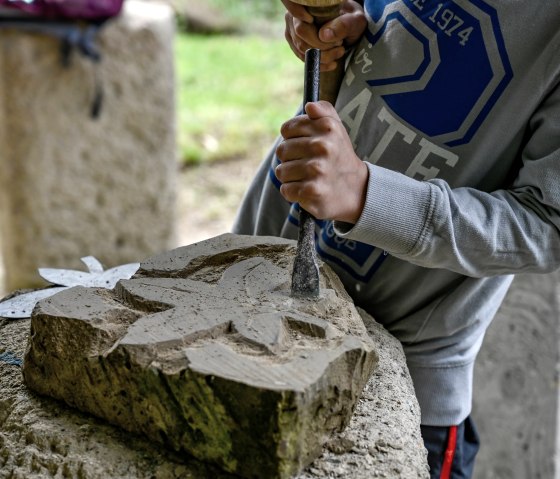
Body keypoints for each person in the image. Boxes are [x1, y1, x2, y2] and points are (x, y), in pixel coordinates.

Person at [232, 0, 560, 477]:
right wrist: (330, 44)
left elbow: (548, 225)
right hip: (259, 270)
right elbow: (376, 50)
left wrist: (367, 194)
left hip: (400, 376)